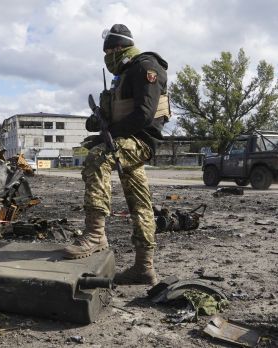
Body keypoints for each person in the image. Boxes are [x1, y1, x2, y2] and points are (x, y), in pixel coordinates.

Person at [63, 24, 170, 286]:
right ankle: (144, 268)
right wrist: (97, 122)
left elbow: (144, 115)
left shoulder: (146, 67)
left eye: (111, 49)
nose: (108, 54)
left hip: (141, 141)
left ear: (121, 47)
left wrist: (106, 136)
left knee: (98, 156)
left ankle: (96, 234)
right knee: (141, 203)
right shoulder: (124, 74)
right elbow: (121, 111)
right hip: (125, 140)